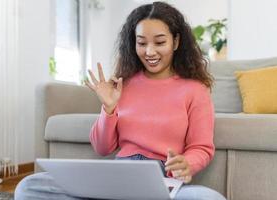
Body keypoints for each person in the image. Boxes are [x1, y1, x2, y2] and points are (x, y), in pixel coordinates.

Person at [15, 2, 226, 200]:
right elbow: (103, 148)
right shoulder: (123, 85)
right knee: (29, 187)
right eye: (142, 43)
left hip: (163, 179)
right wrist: (109, 108)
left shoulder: (195, 90)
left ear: (176, 42)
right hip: (119, 174)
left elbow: (201, 147)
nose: (150, 51)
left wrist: (186, 163)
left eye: (160, 42)